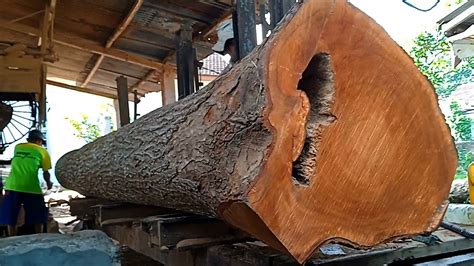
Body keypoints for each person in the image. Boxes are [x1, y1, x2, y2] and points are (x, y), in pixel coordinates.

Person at [0, 129, 52, 236]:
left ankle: (12, 238)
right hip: (31, 187)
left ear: (28, 140)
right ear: (39, 141)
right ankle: (40, 236)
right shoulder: (43, 152)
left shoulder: (18, 147)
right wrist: (48, 183)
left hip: (12, 186)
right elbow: (45, 172)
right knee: (38, 216)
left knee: (11, 215)